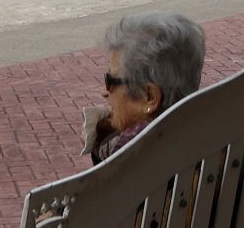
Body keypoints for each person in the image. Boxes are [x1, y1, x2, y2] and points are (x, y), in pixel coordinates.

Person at [86, 12, 206, 164]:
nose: (105, 92)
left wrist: (100, 147)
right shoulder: (206, 129)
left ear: (150, 97)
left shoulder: (128, 159)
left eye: (110, 80)